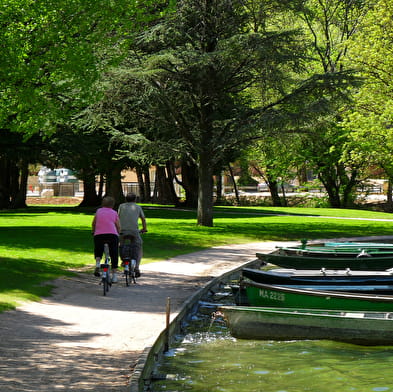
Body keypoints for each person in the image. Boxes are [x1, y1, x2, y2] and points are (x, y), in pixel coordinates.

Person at [92, 196, 121, 282]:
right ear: (112, 205)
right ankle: (114, 275)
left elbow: (93, 223)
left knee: (98, 250)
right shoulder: (114, 213)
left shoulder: (98, 211)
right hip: (112, 235)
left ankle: (97, 263)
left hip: (99, 234)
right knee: (114, 253)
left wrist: (93, 231)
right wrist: (119, 233)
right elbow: (118, 226)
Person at [118, 193, 147, 277]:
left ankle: (123, 260)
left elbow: (118, 217)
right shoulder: (138, 207)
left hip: (122, 230)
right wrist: (144, 229)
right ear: (135, 200)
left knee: (121, 245)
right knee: (139, 246)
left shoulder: (121, 206)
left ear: (126, 199)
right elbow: (143, 218)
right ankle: (137, 267)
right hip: (134, 231)